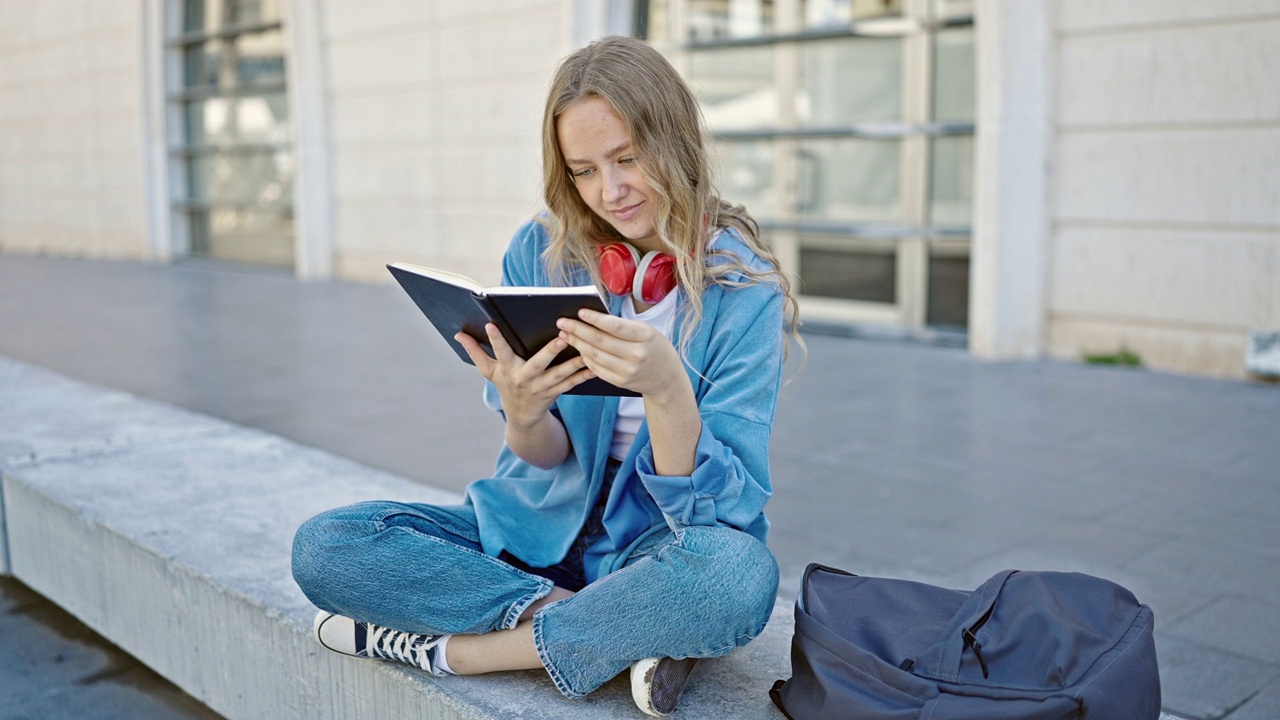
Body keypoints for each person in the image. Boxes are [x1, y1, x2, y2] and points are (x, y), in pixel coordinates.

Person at [291, 35, 800, 717]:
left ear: (674, 142)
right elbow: (540, 455)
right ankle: (618, 633)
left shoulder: (744, 291)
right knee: (325, 547)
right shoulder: (542, 249)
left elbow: (718, 516)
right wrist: (524, 411)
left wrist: (668, 391)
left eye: (627, 159)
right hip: (529, 537)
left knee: (737, 582)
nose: (609, 191)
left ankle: (457, 651)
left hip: (659, 545)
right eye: (584, 171)